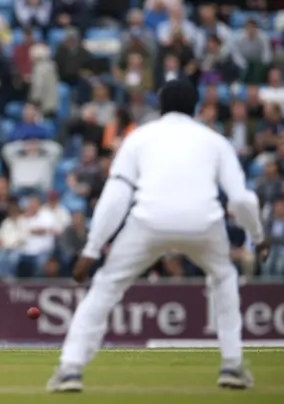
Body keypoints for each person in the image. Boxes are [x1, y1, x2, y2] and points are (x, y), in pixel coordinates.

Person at [47, 79, 268, 393]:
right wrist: (257, 237)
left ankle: (70, 368)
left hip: (148, 222)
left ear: (161, 105)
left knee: (106, 285)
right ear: (195, 108)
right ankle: (232, 364)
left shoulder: (139, 137)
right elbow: (242, 200)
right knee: (224, 277)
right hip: (204, 223)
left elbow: (117, 194)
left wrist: (92, 249)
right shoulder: (214, 140)